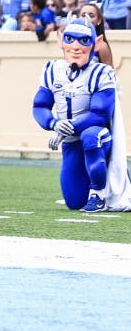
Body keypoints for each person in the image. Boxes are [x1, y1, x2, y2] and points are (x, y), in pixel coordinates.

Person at [32, 18, 131, 212]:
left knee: (91, 136)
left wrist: (66, 127)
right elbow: (39, 105)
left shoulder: (101, 72)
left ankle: (99, 194)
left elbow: (99, 115)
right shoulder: (52, 69)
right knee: (74, 202)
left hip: (97, 136)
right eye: (70, 39)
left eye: (84, 41)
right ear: (60, 40)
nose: (76, 46)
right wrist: (53, 123)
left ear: (97, 43)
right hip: (70, 141)